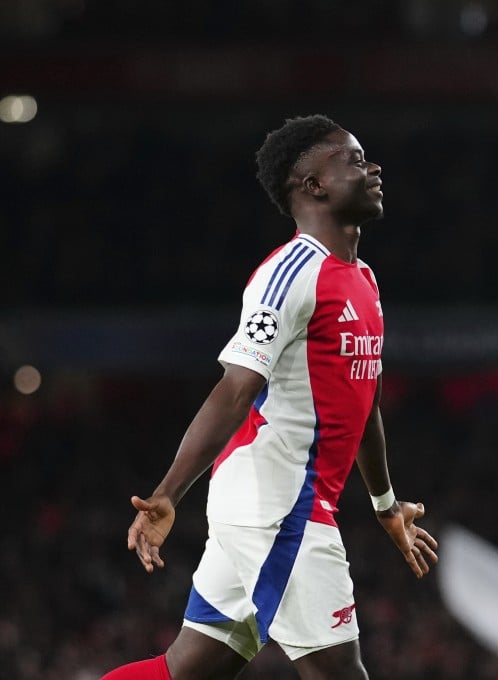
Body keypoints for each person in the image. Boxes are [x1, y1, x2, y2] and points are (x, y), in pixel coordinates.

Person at [102, 114, 439, 680]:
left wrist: (386, 506)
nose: (373, 168)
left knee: (186, 670)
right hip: (280, 508)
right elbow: (235, 390)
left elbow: (366, 404)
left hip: (276, 505)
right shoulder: (287, 275)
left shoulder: (364, 280)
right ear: (313, 185)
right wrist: (167, 495)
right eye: (354, 159)